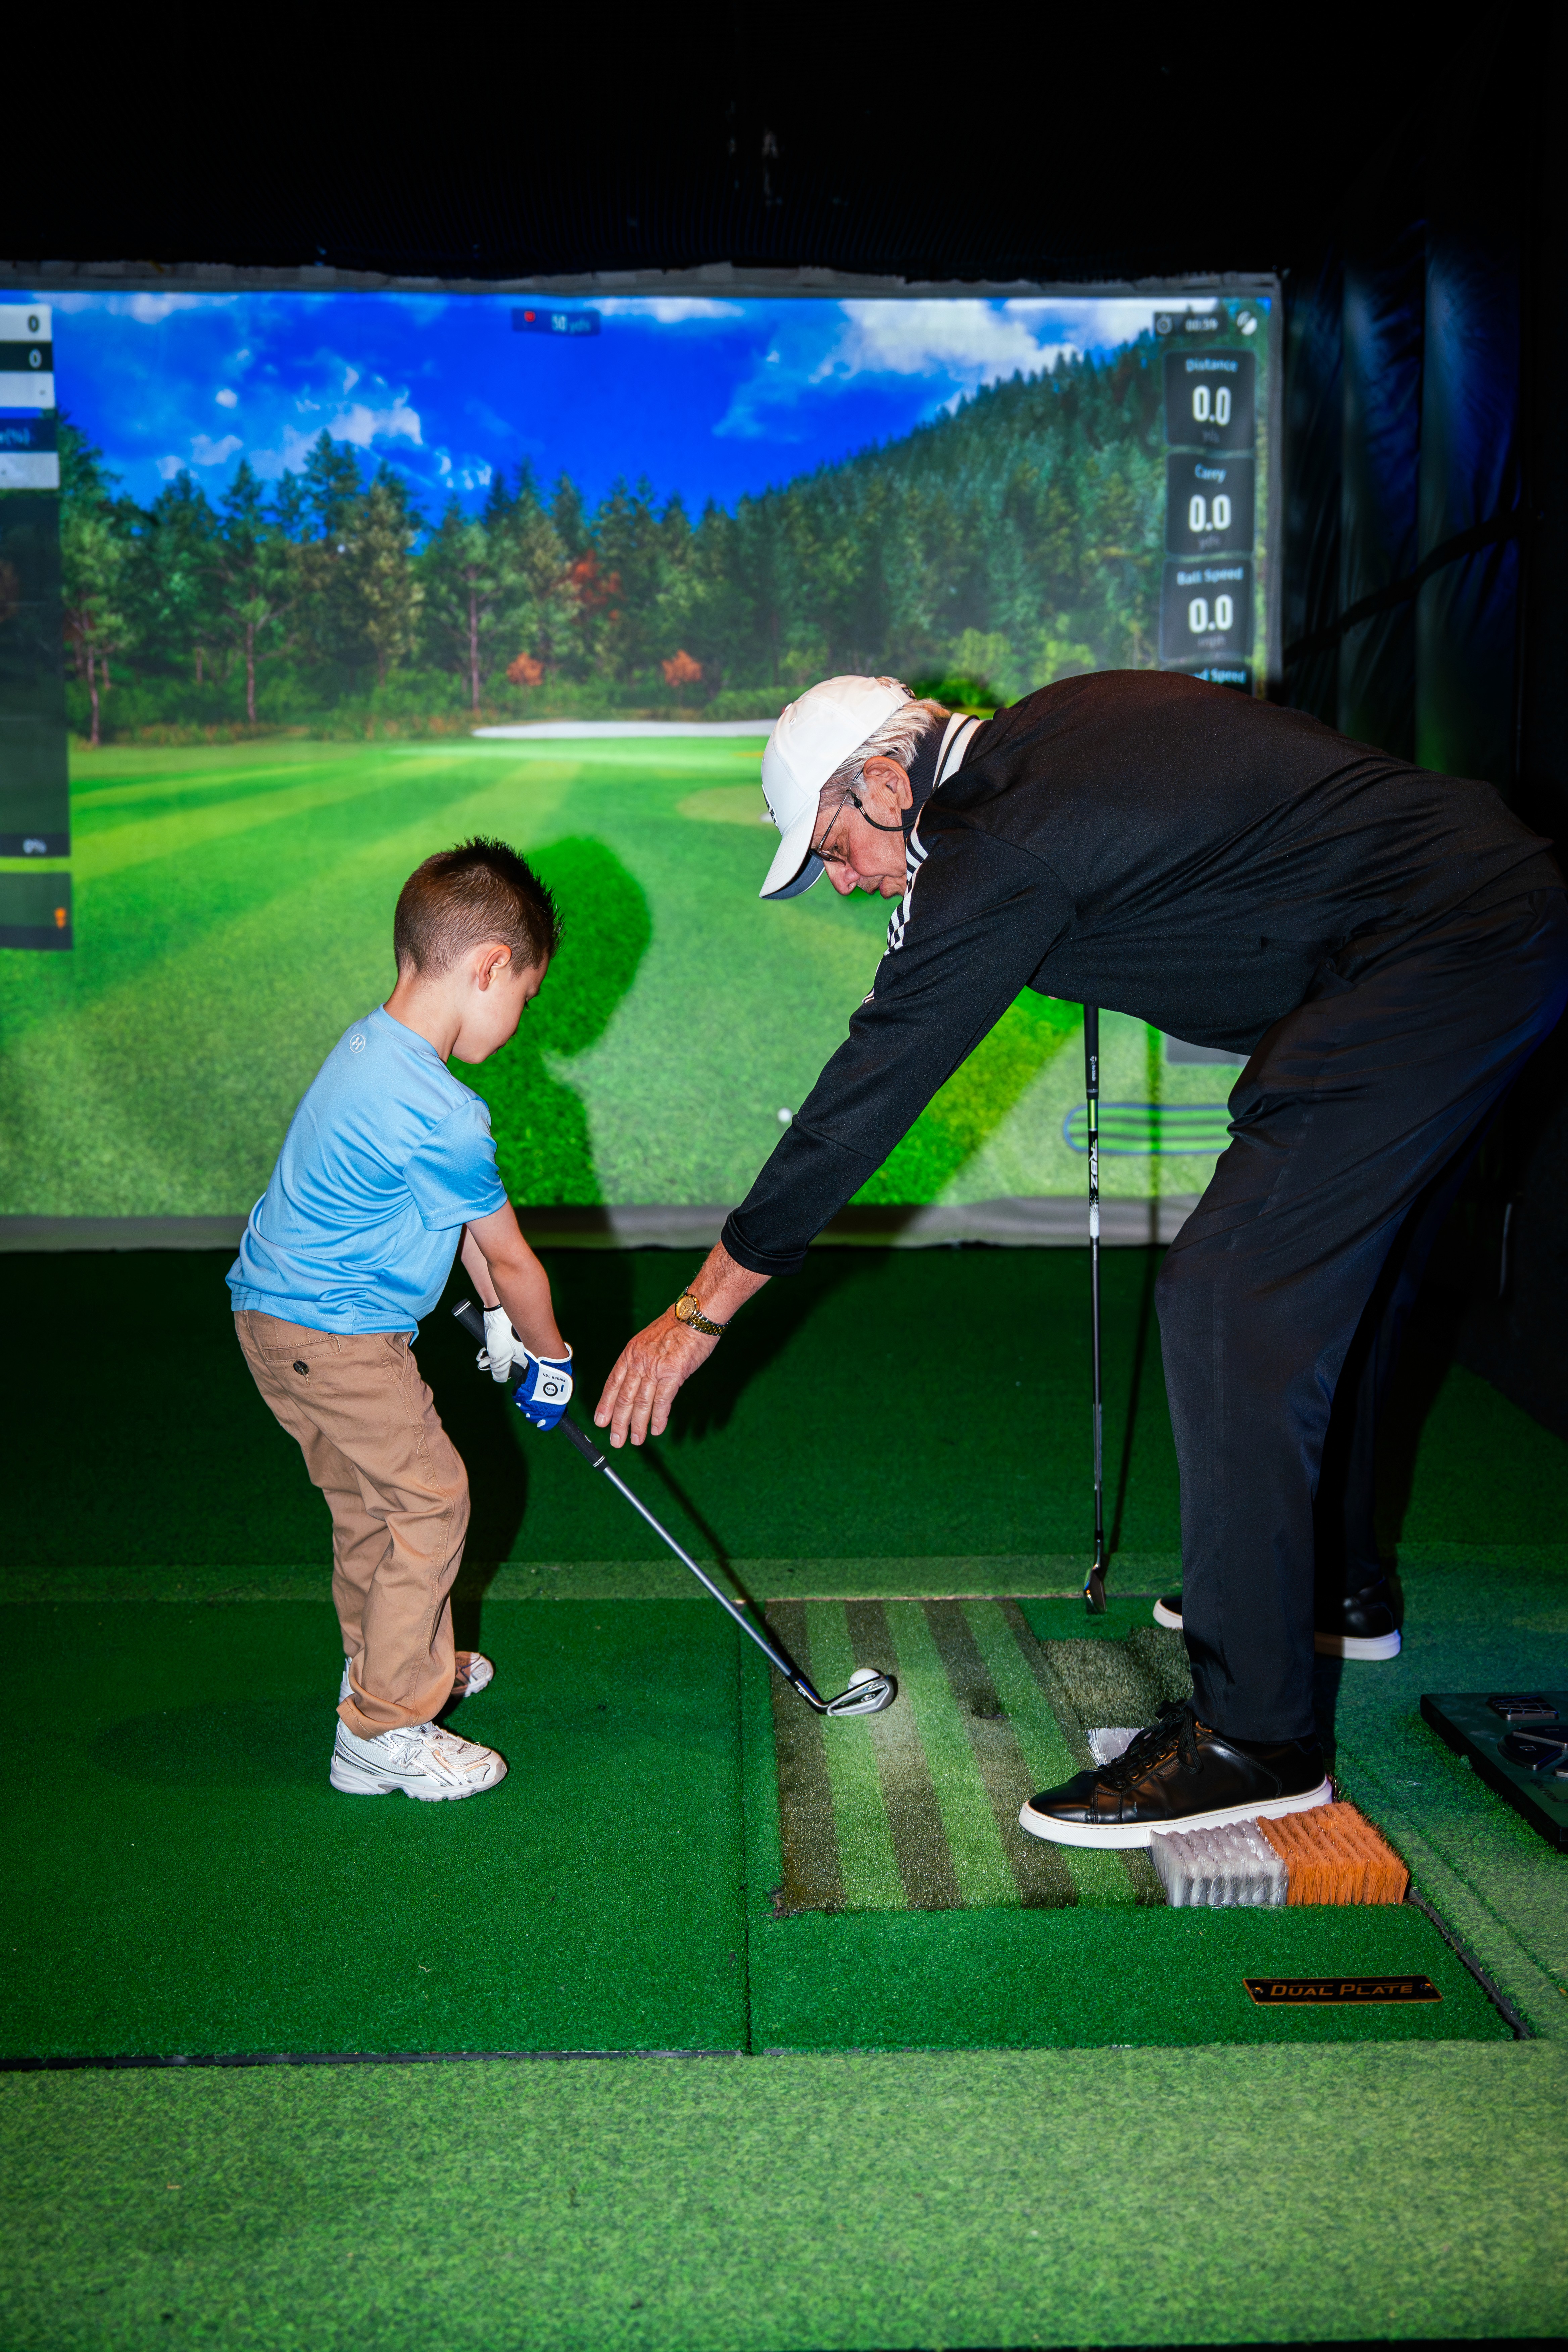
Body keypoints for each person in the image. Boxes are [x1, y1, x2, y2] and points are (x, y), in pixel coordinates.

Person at [594, 671, 1567, 1846]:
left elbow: (870, 1090)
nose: (841, 882)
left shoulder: (999, 838)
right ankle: (1330, 1590)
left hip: (1437, 943)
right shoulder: (1039, 745)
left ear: (890, 782)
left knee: (1229, 1296)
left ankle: (1257, 1737)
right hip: (1461, 915)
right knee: (1330, 1271)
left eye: (836, 848)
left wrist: (700, 1311)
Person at [229, 837, 575, 1802]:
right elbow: (510, 1255)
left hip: (275, 1325)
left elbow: (455, 1226)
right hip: (337, 1339)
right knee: (431, 1500)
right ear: (490, 968)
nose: (517, 1019)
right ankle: (384, 1733)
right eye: (524, 998)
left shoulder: (370, 1048)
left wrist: (498, 1322)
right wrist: (551, 1361)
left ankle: (384, 1666)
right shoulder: (441, 1110)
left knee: (373, 1511)